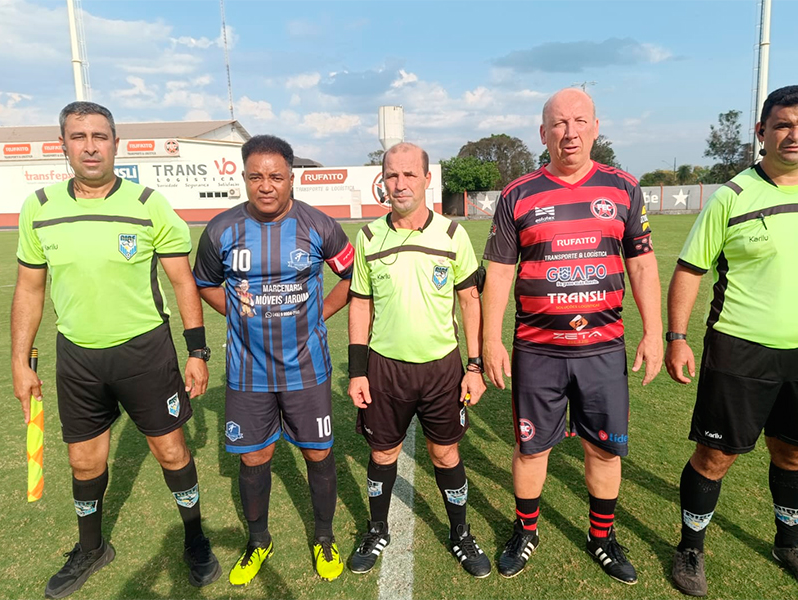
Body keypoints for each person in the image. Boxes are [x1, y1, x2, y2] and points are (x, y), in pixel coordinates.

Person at [665, 85, 798, 597]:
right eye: (782, 124)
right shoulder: (733, 196)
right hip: (739, 349)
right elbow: (690, 270)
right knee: (715, 457)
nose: (794, 134)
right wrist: (677, 337)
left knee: (795, 454)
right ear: (762, 132)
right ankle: (690, 548)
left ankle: (789, 545)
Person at [11, 101, 219, 599]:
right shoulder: (39, 207)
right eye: (78, 137)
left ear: (115, 144)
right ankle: (91, 548)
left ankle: (194, 538)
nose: (90, 147)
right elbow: (29, 289)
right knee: (84, 462)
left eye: (99, 136)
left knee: (171, 450)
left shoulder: (148, 204)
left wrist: (197, 351)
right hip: (78, 356)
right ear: (63, 145)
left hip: (144, 352)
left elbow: (182, 281)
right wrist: (19, 360)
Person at [482, 88, 663, 583]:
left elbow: (642, 264)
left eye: (579, 121)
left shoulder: (623, 188)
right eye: (559, 123)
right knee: (531, 448)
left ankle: (601, 537)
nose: (570, 132)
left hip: (602, 349)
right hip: (537, 349)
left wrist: (654, 332)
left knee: (604, 449)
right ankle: (525, 530)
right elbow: (499, 272)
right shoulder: (518, 194)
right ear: (543, 133)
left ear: (595, 128)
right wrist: (491, 341)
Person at [193, 135, 354, 584]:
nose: (266, 186)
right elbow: (204, 282)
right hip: (248, 371)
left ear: (291, 178)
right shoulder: (221, 230)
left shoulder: (319, 225)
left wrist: (319, 313)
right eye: (256, 176)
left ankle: (324, 537)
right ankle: (258, 540)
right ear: (245, 178)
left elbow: (352, 275)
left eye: (276, 176)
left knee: (317, 451)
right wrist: (238, 313)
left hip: (306, 366)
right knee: (254, 457)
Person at [346, 142, 491, 578]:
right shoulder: (368, 237)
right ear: (383, 181)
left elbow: (470, 301)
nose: (400, 183)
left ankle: (461, 534)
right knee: (382, 453)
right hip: (384, 369)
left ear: (427, 179)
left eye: (410, 174)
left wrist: (475, 366)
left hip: (441, 368)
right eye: (392, 175)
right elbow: (360, 304)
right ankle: (376, 530)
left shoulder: (452, 234)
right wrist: (357, 372)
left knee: (445, 454)